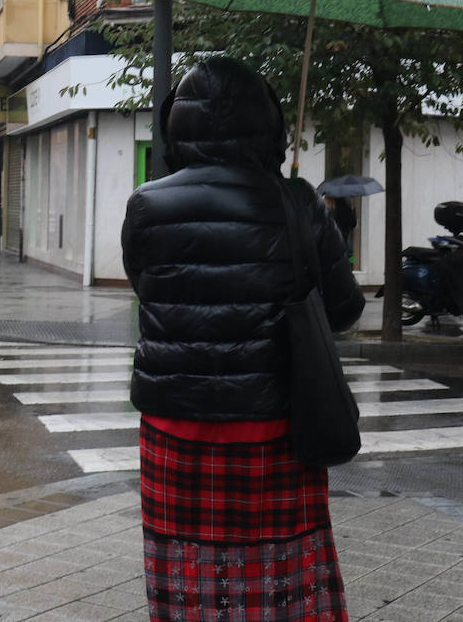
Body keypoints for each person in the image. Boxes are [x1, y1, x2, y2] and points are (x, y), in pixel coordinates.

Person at [121, 58, 364, 621]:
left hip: (172, 428)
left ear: (176, 127)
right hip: (275, 430)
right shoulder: (296, 202)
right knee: (280, 582)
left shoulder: (146, 205)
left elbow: (148, 287)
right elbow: (344, 310)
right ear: (269, 126)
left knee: (186, 580)